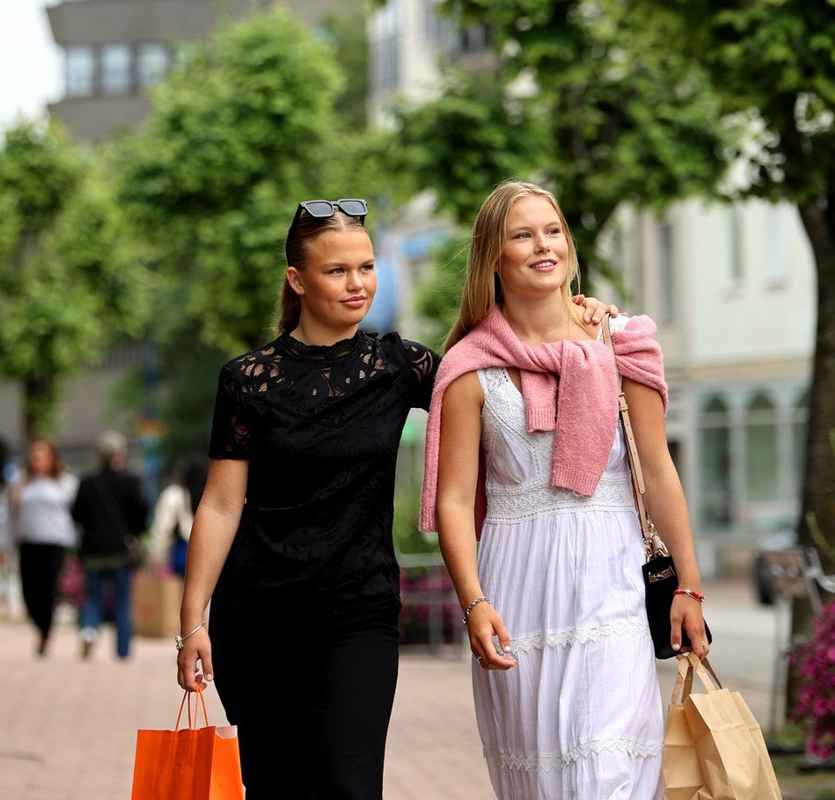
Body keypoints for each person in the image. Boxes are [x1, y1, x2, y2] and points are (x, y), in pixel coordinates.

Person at [174, 197, 620, 799]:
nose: (357, 284)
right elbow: (221, 505)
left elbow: (498, 372)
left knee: (351, 787)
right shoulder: (247, 380)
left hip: (358, 615)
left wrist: (575, 320)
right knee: (276, 787)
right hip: (255, 621)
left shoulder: (399, 366)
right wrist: (192, 623)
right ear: (297, 280)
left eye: (366, 267)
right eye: (337, 271)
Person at [420, 180, 709, 798]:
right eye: (522, 235)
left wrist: (688, 584)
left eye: (552, 231)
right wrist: (472, 602)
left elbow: (659, 471)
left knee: (606, 767)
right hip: (516, 587)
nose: (543, 246)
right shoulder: (469, 367)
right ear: (492, 256)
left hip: (613, 577)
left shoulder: (620, 343)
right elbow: (454, 500)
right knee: (543, 776)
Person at [72, 431, 148, 661]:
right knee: (122, 600)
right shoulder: (130, 481)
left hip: (92, 550)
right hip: (120, 550)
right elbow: (142, 512)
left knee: (93, 597)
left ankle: (89, 629)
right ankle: (122, 651)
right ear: (120, 454)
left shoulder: (87, 482)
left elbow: (76, 514)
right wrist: (136, 533)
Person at [7, 439, 78, 657]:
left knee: (48, 589)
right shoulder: (20, 482)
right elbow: (11, 517)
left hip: (55, 541)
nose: (37, 460)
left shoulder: (66, 483)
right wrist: (2, 544)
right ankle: (39, 625)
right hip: (28, 541)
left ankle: (46, 635)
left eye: (42, 455)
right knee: (29, 591)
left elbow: (77, 515)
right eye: (34, 456)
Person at [146, 454, 207, 576]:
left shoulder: (174, 495)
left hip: (182, 555)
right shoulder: (210, 498)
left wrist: (155, 559)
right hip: (208, 555)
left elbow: (162, 529)